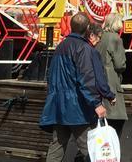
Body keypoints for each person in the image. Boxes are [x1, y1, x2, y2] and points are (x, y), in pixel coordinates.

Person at [40, 12, 110, 162]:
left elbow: (51, 76)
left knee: (57, 146)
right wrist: (97, 104)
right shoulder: (83, 49)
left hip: (59, 106)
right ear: (87, 29)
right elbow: (86, 79)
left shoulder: (60, 47)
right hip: (77, 108)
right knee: (90, 147)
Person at [96, 14, 129, 140]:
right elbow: (120, 64)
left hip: (100, 83)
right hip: (111, 84)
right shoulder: (115, 39)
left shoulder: (101, 38)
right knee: (115, 125)